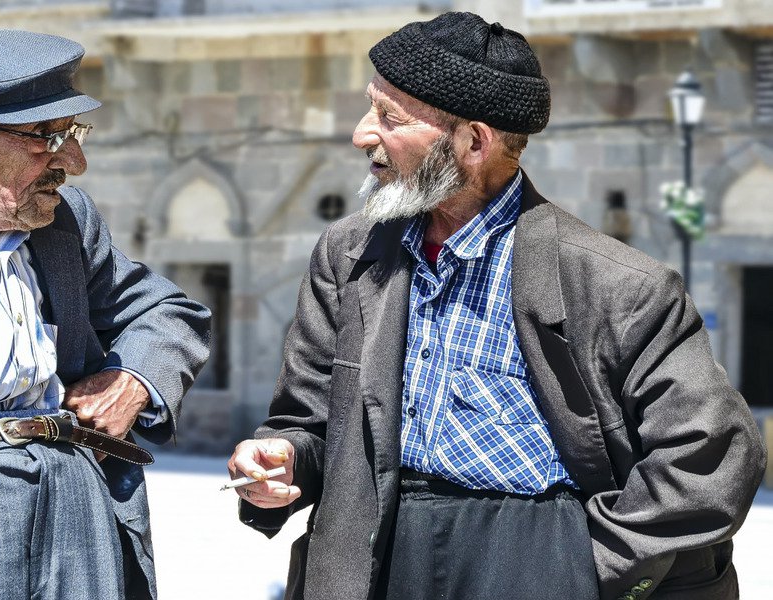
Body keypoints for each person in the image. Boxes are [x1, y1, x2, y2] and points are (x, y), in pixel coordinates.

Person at [228, 12, 766, 600]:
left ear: (474, 142)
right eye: (369, 108)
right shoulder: (348, 255)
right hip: (377, 554)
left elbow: (711, 452)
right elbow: (307, 420)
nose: (362, 134)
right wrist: (283, 460)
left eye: (389, 118)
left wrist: (586, 570)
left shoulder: (619, 285)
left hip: (535, 553)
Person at [0, 28, 211, 600]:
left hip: (76, 505)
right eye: (46, 137)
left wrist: (133, 381)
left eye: (72, 133)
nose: (75, 161)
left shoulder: (64, 222)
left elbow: (168, 310)